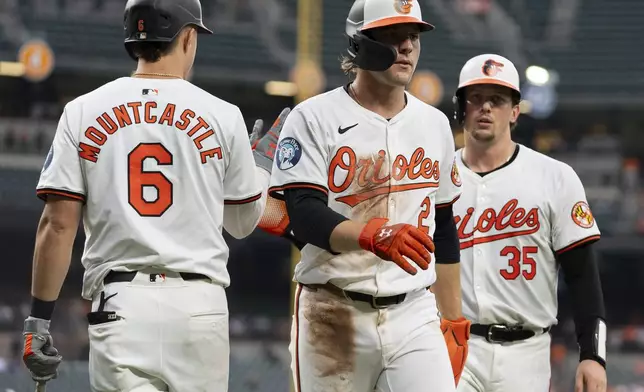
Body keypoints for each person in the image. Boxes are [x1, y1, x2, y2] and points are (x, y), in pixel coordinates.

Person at [20, 0, 288, 391]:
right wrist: (258, 167)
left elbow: (57, 226)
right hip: (199, 307)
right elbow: (243, 223)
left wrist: (38, 322)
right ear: (188, 37)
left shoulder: (81, 111)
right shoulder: (222, 115)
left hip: (120, 306)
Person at [265, 0, 471, 390]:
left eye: (413, 36)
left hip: (414, 311)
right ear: (360, 44)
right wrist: (370, 235)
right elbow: (304, 214)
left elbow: (443, 228)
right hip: (333, 308)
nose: (408, 46)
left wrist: (454, 319)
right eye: (394, 35)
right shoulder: (313, 117)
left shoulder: (435, 124)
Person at [451, 53, 607, 392]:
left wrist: (593, 354)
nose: (486, 108)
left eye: (497, 99)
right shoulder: (436, 177)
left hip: (526, 353)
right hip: (452, 345)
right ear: (461, 107)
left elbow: (581, 274)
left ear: (515, 111)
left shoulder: (555, 177)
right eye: (475, 98)